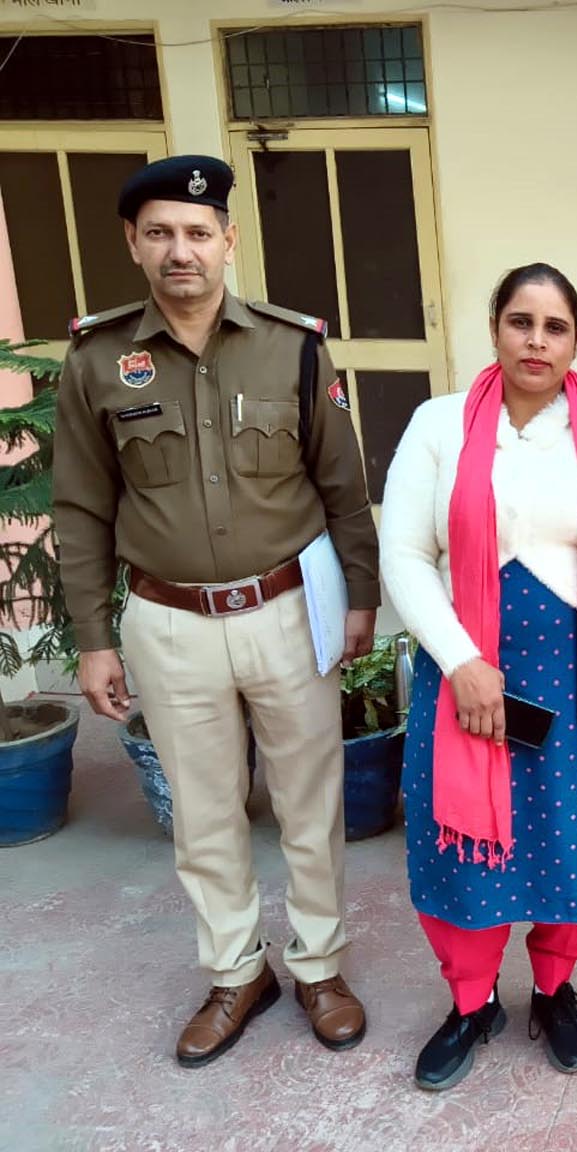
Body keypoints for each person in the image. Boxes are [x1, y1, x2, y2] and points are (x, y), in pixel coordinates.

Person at [53, 155, 378, 1066]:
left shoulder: (293, 346)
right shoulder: (96, 359)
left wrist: (360, 598)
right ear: (132, 243)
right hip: (168, 622)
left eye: (198, 233)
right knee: (203, 814)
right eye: (159, 233)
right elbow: (80, 507)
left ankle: (319, 965)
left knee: (310, 801)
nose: (180, 250)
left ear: (228, 241)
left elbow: (343, 487)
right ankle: (237, 972)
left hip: (287, 610)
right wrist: (93, 638)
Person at [379, 263, 577, 1091]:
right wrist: (460, 661)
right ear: (494, 328)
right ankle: (470, 1003)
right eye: (520, 322)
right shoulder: (438, 425)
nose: (537, 341)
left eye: (554, 327)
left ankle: (555, 992)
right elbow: (404, 553)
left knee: (567, 839)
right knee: (463, 845)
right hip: (462, 675)